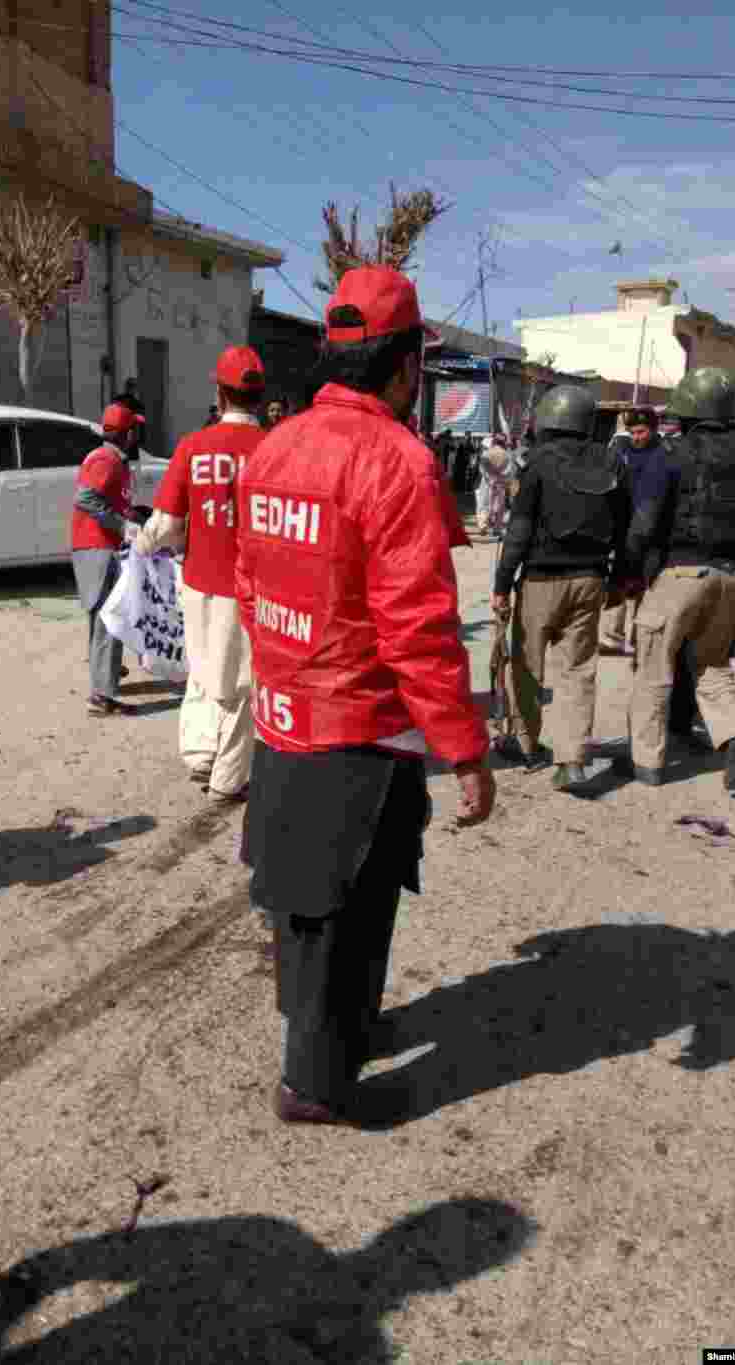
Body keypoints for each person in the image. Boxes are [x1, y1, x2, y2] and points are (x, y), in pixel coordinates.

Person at [236, 264, 495, 1126]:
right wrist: (466, 750)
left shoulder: (273, 447)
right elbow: (418, 631)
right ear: (407, 363)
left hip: (284, 721)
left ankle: (320, 1034)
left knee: (299, 902)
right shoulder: (399, 463)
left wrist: (284, 671)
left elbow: (246, 582)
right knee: (348, 913)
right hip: (360, 739)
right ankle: (315, 1083)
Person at [622, 367, 735, 791]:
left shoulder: (672, 454)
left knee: (654, 668)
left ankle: (647, 763)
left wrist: (627, 574)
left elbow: (644, 525)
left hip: (681, 574)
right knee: (712, 666)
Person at [134, 345, 267, 800]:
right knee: (240, 680)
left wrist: (141, 544)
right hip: (252, 589)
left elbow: (168, 526)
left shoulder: (194, 446)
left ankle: (198, 753)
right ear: (261, 395)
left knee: (204, 665)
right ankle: (229, 776)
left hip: (198, 582)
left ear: (220, 393)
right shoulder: (277, 449)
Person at [491, 384, 629, 792]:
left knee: (528, 666)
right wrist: (619, 579)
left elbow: (518, 529)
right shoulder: (612, 462)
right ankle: (572, 761)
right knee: (578, 673)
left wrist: (501, 583)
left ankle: (526, 743)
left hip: (540, 582)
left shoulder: (539, 462)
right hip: (590, 581)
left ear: (548, 419)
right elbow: (627, 530)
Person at [70, 402, 145, 717]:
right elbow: (86, 499)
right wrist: (122, 524)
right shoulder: (106, 459)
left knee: (106, 619)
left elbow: (106, 499)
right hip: (98, 546)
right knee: (109, 619)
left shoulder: (112, 459)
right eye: (135, 429)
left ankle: (105, 681)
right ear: (127, 433)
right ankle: (102, 696)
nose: (137, 434)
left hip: (98, 545)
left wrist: (132, 514)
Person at [599, 407, 668, 656]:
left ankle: (641, 637)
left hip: (653, 534)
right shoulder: (623, 451)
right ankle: (611, 637)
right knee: (618, 582)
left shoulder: (665, 454)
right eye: (633, 432)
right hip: (624, 530)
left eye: (641, 432)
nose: (636, 437)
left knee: (646, 587)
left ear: (653, 429)